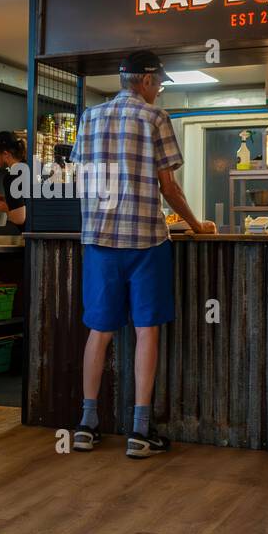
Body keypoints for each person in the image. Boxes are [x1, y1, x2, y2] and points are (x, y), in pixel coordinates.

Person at [69, 50, 214, 459]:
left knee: (99, 331)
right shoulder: (155, 119)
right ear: (147, 81)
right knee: (146, 330)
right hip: (146, 241)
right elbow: (169, 187)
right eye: (160, 83)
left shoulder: (90, 118)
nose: (160, 90)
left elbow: (83, 175)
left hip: (98, 239)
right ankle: (138, 431)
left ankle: (86, 424)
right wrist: (195, 223)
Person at [0, 131, 28, 230]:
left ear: (6, 154)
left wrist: (5, 207)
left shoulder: (12, 177)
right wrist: (9, 201)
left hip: (35, 238)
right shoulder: (29, 168)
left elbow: (19, 218)